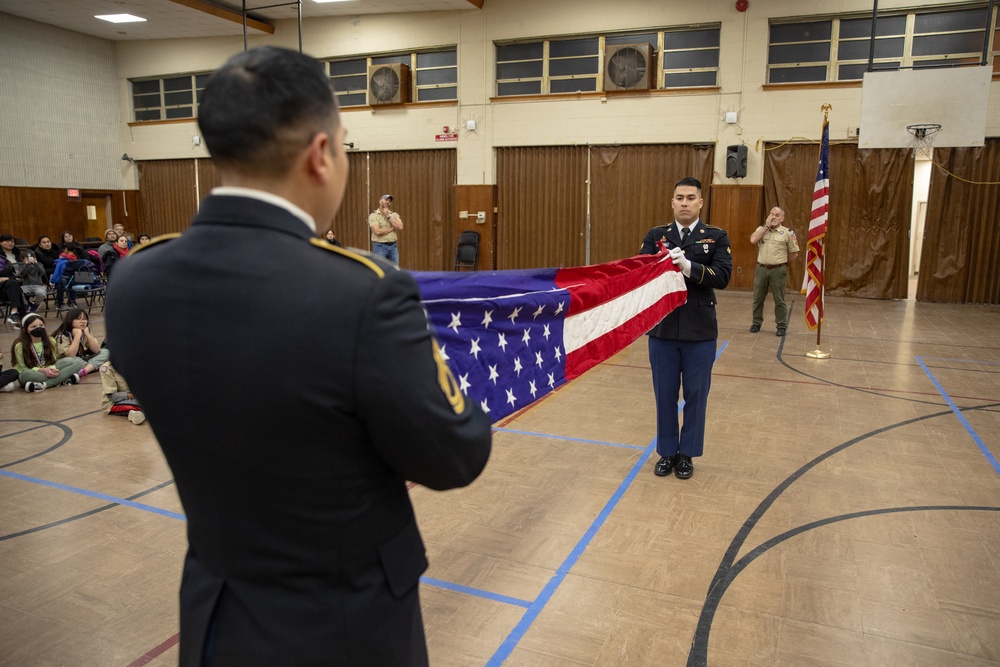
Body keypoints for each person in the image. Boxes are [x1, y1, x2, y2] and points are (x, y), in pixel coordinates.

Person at [105, 46, 492, 666]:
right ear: (320, 154)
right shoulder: (363, 294)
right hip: (345, 627)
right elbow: (454, 454)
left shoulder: (135, 282)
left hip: (215, 617)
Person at [640, 177, 732, 480]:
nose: (684, 203)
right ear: (672, 202)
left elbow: (722, 277)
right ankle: (667, 453)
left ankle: (687, 455)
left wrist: (688, 266)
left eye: (691, 198)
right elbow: (641, 276)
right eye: (679, 197)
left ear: (700, 203)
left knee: (696, 394)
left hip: (700, 331)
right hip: (663, 330)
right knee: (664, 395)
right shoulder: (656, 236)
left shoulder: (716, 237)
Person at [749, 206, 799, 337]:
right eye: (772, 214)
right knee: (758, 298)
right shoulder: (761, 230)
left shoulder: (788, 233)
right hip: (761, 269)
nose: (774, 217)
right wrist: (766, 227)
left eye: (777, 215)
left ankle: (781, 326)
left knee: (779, 299)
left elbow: (794, 253)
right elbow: (753, 240)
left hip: (778, 270)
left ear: (782, 218)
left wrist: (783, 265)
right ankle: (756, 323)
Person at [11, 313, 85, 392]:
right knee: (28, 375)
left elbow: (52, 361)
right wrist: (44, 371)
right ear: (25, 330)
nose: (38, 328)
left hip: (48, 368)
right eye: (34, 326)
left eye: (41, 325)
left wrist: (51, 369)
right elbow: (23, 368)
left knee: (76, 363)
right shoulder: (20, 346)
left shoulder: (50, 341)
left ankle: (44, 385)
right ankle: (62, 380)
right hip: (32, 373)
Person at [53, 307, 109, 377]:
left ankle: (84, 370)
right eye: (78, 319)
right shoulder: (62, 336)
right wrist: (77, 337)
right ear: (70, 321)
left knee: (105, 352)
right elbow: (70, 355)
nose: (82, 321)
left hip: (81, 358)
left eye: (84, 319)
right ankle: (91, 367)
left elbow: (96, 350)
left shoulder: (85, 332)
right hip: (65, 361)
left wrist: (88, 334)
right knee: (76, 362)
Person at [99, 360, 145, 424]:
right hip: (114, 402)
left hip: (133, 396)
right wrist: (131, 395)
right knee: (143, 405)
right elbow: (111, 396)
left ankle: (136, 414)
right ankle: (136, 414)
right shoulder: (107, 368)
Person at [0, 237, 29, 326]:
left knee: (13, 285)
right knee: (15, 288)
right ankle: (21, 317)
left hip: (5, 288)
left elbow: (11, 275)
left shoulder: (3, 259)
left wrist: (7, 278)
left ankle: (14, 313)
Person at [368, 193, 403, 265]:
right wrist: (393, 228)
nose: (387, 202)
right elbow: (377, 231)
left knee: (394, 270)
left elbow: (400, 227)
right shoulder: (373, 215)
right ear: (380, 201)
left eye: (389, 201)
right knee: (379, 270)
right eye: (386, 199)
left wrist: (388, 216)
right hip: (380, 247)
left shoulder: (393, 214)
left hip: (393, 247)